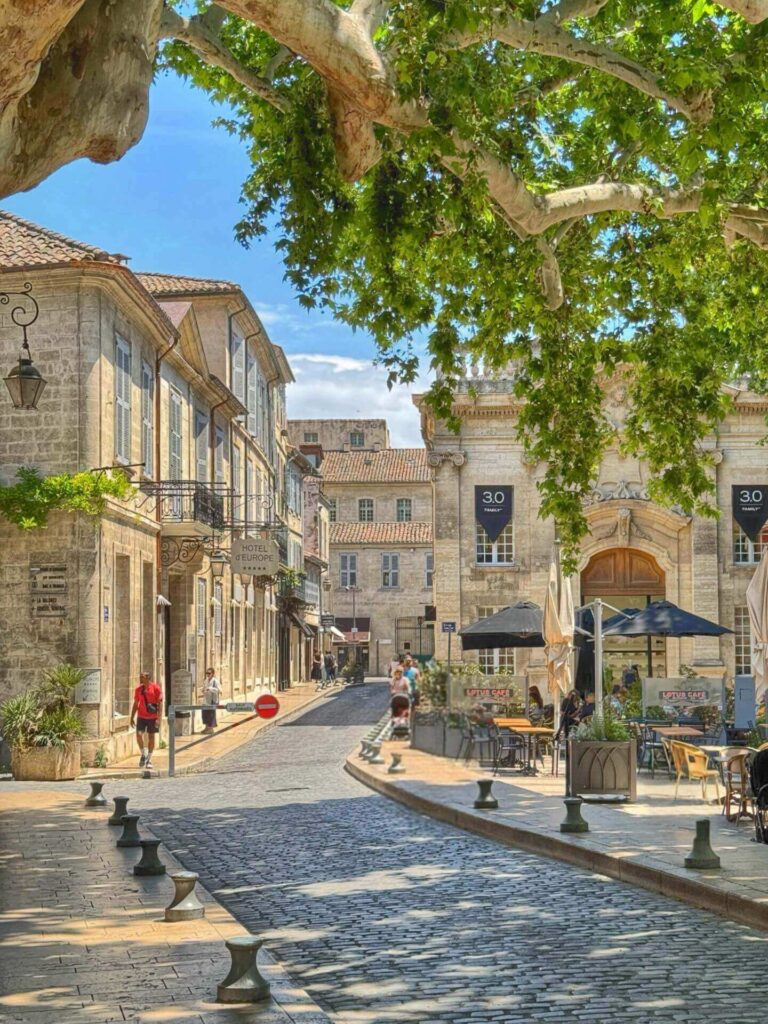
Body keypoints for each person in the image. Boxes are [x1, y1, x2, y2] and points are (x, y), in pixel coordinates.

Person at [130, 671, 163, 768]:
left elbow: (160, 703)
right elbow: (136, 704)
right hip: (141, 716)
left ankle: (149, 759)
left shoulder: (156, 688)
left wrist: (159, 719)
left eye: (142, 676)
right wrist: (132, 717)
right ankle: (143, 754)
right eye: (140, 676)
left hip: (152, 717)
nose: (140, 678)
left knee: (151, 737)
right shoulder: (138, 689)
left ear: (148, 678)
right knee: (139, 735)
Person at [202, 668, 220, 734]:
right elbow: (204, 688)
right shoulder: (205, 680)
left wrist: (210, 689)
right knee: (205, 714)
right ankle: (206, 728)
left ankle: (211, 729)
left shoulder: (215, 681)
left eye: (209, 673)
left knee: (211, 715)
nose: (207, 675)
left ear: (212, 674)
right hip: (206, 700)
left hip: (212, 700)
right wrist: (203, 690)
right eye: (207, 673)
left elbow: (219, 690)